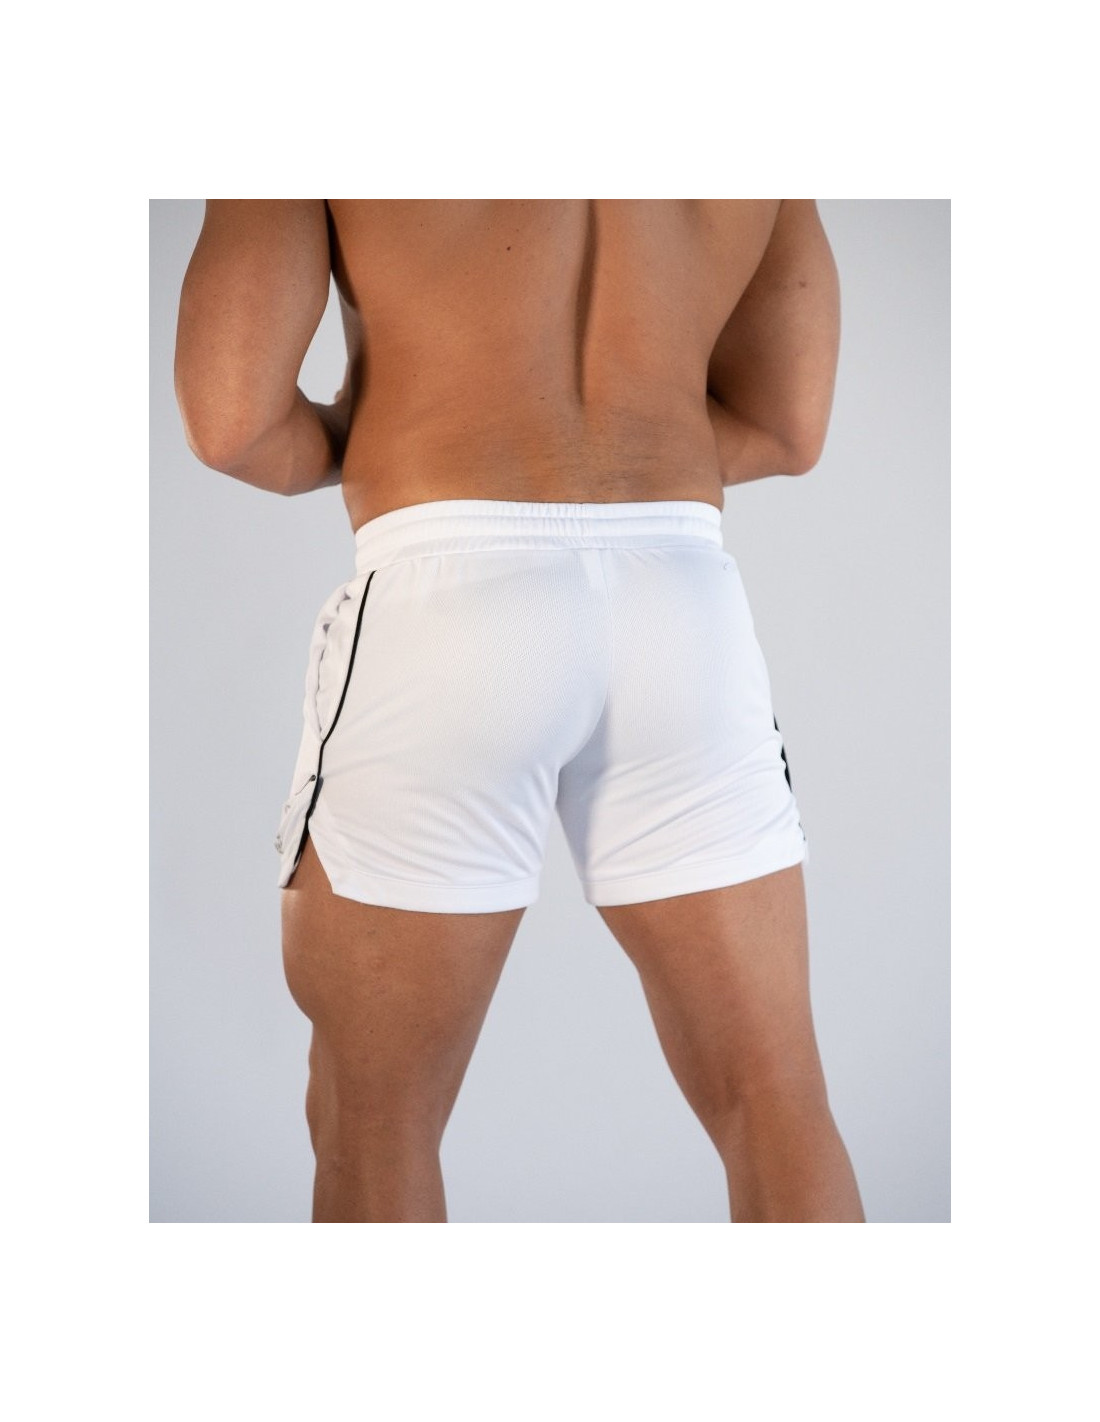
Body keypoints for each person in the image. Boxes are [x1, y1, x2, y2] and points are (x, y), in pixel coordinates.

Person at [174, 198, 865, 1224]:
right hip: (681, 601)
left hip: (447, 596)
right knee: (775, 1100)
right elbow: (786, 425)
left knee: (376, 1123)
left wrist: (390, 436)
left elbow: (232, 420)